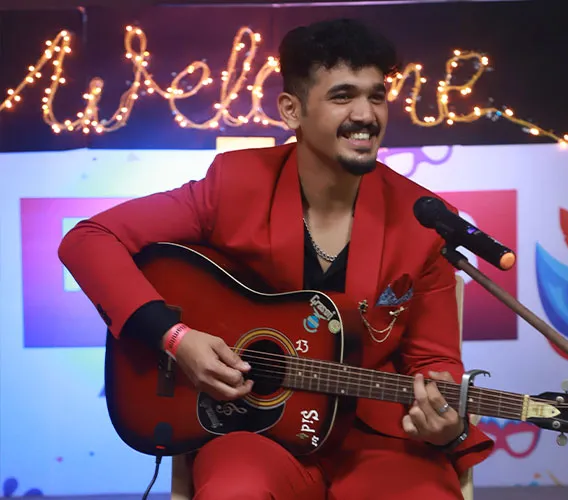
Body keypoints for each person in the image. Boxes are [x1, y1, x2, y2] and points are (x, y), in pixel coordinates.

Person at [58, 18, 494, 499]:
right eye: (343, 96)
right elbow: (89, 239)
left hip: (377, 440)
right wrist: (177, 339)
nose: (366, 114)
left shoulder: (425, 219)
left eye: (377, 96)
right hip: (253, 431)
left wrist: (444, 422)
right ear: (291, 110)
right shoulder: (235, 185)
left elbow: (433, 362)